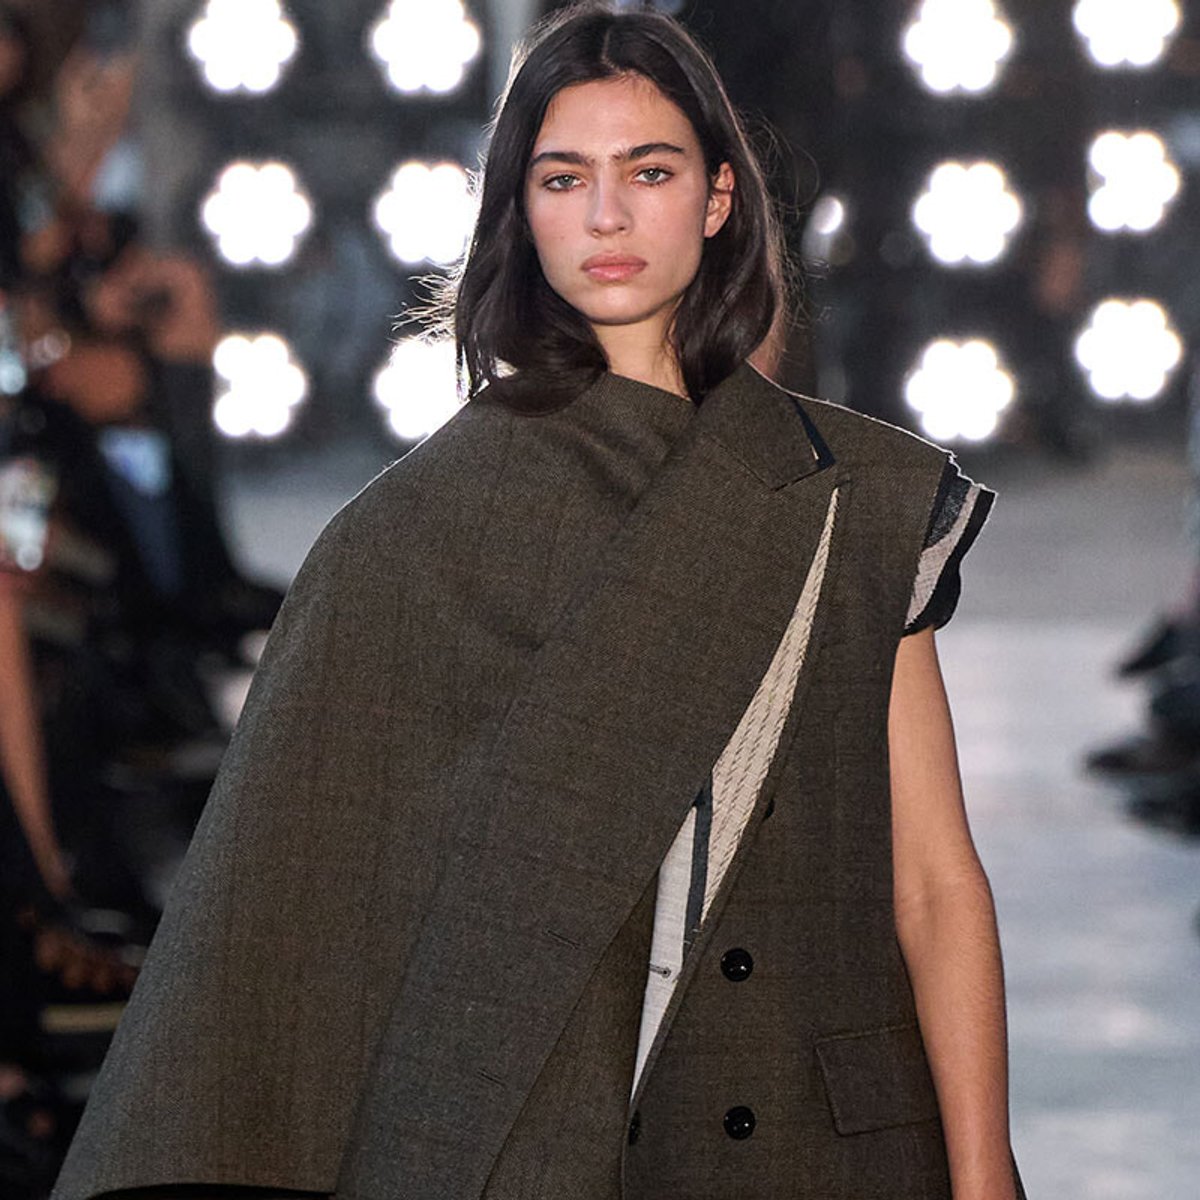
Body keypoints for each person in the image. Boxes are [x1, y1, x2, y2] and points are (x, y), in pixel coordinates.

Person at [52, 5, 1027, 1199]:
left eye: (649, 171)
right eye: (565, 178)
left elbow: (934, 883)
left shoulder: (859, 497)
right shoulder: (414, 535)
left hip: (821, 1150)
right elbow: (296, 906)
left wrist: (985, 1176)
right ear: (520, 210)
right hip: (545, 1149)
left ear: (718, 198)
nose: (607, 216)